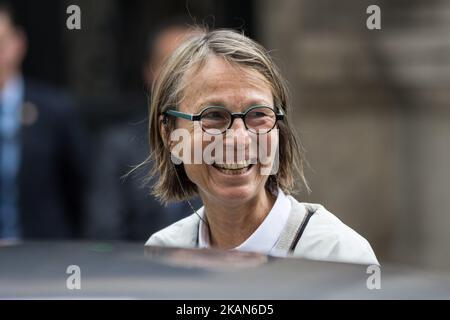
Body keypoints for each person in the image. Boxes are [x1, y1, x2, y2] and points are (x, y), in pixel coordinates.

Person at [144, 29, 379, 265]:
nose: (238, 138)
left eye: (258, 114)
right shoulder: (163, 255)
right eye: (214, 115)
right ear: (170, 134)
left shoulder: (337, 257)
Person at [84, 23, 201, 240]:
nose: (185, 77)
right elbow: (105, 235)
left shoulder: (233, 139)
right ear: (150, 72)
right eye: (173, 66)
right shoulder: (117, 146)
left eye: (196, 66)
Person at [0, 2, 87, 241]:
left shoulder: (54, 111)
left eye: (1, 44)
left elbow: (77, 187)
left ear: (18, 43)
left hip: (43, 256)